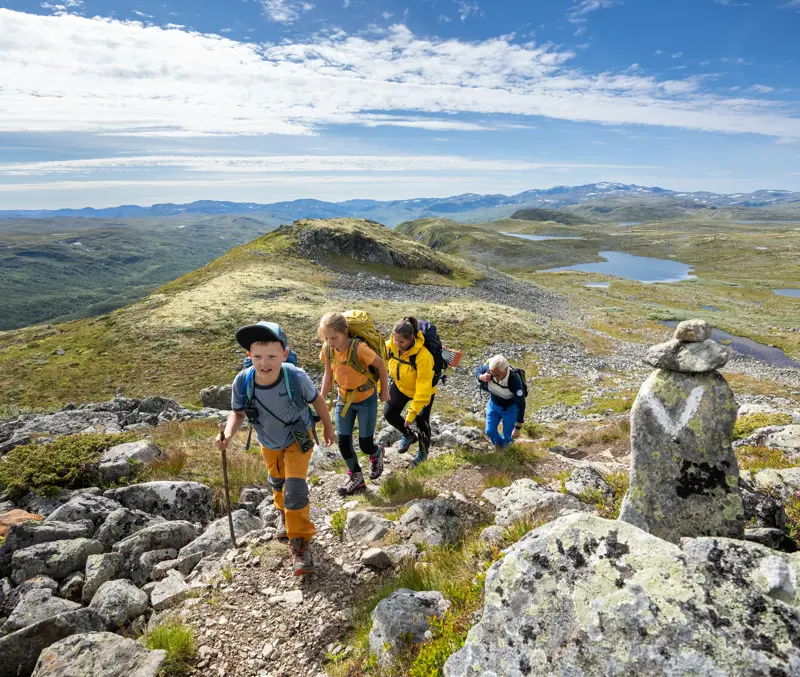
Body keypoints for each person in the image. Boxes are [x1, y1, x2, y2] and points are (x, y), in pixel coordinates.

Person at [216, 321, 335, 576]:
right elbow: (238, 413)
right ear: (249, 355)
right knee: (278, 482)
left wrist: (328, 427)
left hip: (299, 437)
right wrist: (227, 435)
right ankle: (283, 515)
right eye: (258, 356)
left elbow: (317, 401)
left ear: (284, 354)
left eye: (271, 356)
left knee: (295, 490)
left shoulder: (295, 376)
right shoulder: (243, 381)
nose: (264, 363)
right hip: (268, 441)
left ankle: (299, 543)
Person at [318, 312, 390, 496]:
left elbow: (381, 365)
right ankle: (356, 477)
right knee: (343, 442)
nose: (330, 342)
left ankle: (376, 453)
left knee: (366, 444)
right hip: (344, 400)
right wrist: (320, 398)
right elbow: (328, 374)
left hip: (366, 400)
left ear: (345, 332)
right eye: (326, 338)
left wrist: (384, 391)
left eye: (334, 337)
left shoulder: (360, 349)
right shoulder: (328, 349)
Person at [384, 316, 437, 467]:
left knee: (421, 423)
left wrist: (411, 413)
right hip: (401, 385)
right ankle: (408, 435)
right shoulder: (390, 346)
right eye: (395, 340)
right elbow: (380, 365)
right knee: (389, 413)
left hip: (422, 392)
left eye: (401, 342)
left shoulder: (424, 357)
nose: (397, 344)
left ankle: (422, 454)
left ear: (411, 338)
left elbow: (423, 388)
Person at [476, 354, 526, 449]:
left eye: (498, 375)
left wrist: (517, 427)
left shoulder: (514, 379)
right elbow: (478, 370)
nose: (495, 377)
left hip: (510, 409)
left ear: (506, 369)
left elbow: (521, 403)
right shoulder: (489, 369)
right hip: (493, 405)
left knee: (508, 436)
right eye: (493, 374)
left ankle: (506, 452)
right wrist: (481, 377)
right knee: (489, 431)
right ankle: (499, 447)